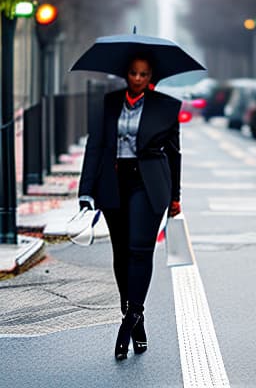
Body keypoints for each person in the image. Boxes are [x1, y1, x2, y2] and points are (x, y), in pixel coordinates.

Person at [78, 54, 182, 360]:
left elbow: (174, 155)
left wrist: (176, 196)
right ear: (126, 74)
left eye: (144, 74)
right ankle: (134, 314)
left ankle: (130, 318)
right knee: (121, 253)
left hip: (148, 185)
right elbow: (94, 144)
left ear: (151, 77)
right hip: (113, 182)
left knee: (139, 250)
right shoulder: (109, 103)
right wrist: (85, 190)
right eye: (134, 73)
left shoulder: (166, 107)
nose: (138, 79)